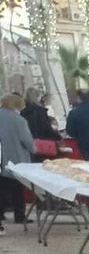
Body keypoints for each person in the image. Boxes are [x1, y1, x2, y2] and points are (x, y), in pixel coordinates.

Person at [0, 95, 36, 229]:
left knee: (2, 187)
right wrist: (34, 149)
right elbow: (27, 141)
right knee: (17, 189)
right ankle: (19, 215)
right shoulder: (19, 121)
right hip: (15, 158)